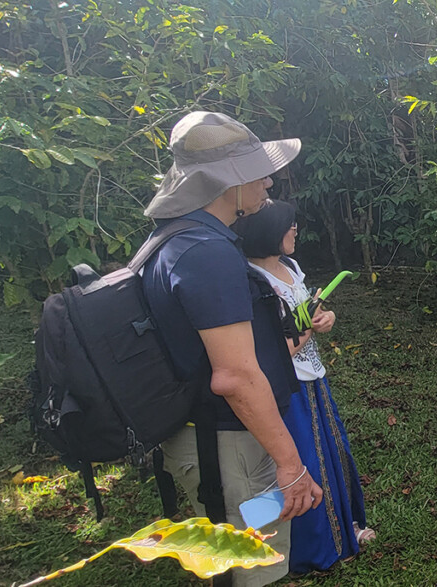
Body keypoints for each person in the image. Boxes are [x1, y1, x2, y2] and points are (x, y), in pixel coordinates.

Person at [142, 111, 321, 587]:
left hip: (209, 434)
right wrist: (291, 465)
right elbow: (235, 376)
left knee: (233, 558)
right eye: (257, 172)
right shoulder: (208, 253)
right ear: (228, 182)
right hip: (228, 442)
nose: (268, 181)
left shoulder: (175, 239)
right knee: (255, 567)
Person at [233, 200, 375, 572]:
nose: (295, 230)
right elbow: (266, 353)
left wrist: (324, 317)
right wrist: (308, 329)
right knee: (301, 465)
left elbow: (310, 314)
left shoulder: (291, 267)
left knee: (333, 453)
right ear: (267, 230)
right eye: (289, 224)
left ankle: (345, 528)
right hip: (284, 389)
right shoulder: (249, 280)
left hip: (314, 378)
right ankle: (304, 549)